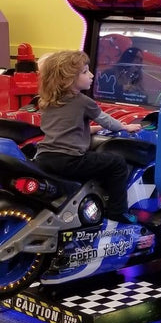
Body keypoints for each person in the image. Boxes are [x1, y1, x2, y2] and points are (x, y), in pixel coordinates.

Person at [35, 50, 141, 223]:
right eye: (85, 72)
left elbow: (66, 128)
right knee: (117, 164)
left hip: (44, 158)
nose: (91, 75)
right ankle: (117, 211)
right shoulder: (83, 102)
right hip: (70, 160)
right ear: (68, 79)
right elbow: (108, 121)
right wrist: (125, 127)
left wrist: (94, 129)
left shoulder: (47, 101)